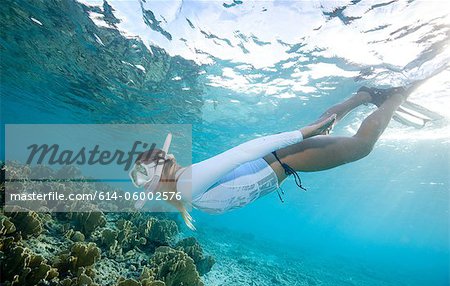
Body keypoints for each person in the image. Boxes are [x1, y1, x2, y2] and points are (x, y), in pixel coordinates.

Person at [130, 84, 420, 229]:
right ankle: (365, 95)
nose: (171, 157)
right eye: (165, 158)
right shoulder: (185, 184)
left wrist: (302, 134)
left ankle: (397, 95)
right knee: (326, 124)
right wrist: (306, 133)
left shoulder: (186, 184)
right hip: (281, 161)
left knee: (361, 146)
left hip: (284, 160)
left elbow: (243, 152)